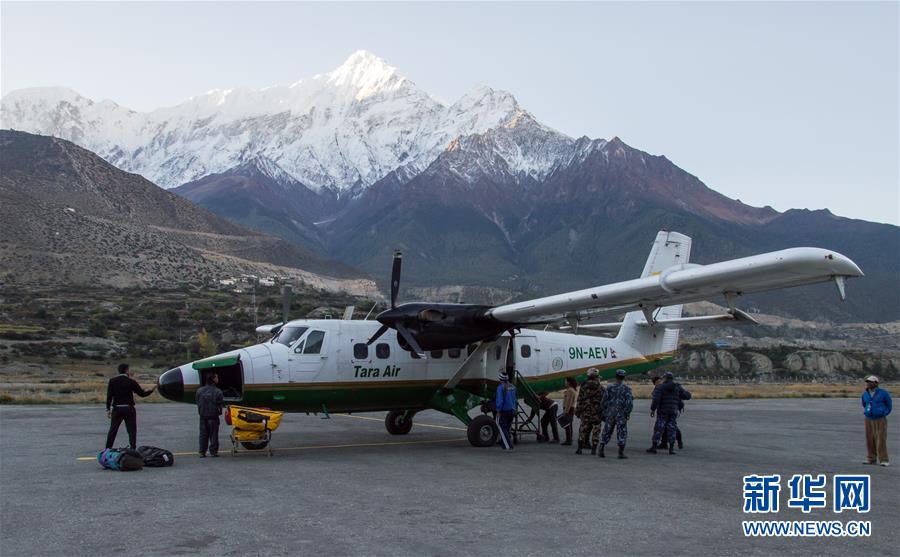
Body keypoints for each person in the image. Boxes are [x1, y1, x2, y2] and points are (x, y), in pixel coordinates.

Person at [105, 363, 155, 449]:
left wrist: (108, 409)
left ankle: (107, 449)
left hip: (117, 409)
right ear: (127, 370)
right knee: (131, 431)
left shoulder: (112, 381)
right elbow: (142, 394)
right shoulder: (131, 381)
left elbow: (109, 396)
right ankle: (133, 449)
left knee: (113, 430)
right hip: (129, 409)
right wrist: (151, 390)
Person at [647, 373, 690, 454]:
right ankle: (671, 449)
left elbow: (656, 399)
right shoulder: (677, 387)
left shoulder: (660, 387)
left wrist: (653, 409)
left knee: (658, 429)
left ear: (665, 378)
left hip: (663, 411)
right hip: (673, 411)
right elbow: (687, 396)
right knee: (672, 428)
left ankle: (654, 447)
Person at [598, 369, 633, 459]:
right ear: (623, 377)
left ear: (616, 376)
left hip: (610, 413)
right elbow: (629, 402)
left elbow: (603, 401)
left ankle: (601, 448)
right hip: (621, 414)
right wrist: (627, 412)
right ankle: (620, 452)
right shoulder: (627, 388)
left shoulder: (610, 387)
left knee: (607, 430)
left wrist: (604, 411)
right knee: (622, 432)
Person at [862, 375, 892, 466]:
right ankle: (871, 459)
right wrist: (868, 412)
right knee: (869, 439)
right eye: (867, 382)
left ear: (876, 383)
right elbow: (864, 404)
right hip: (869, 419)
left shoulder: (883, 393)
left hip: (880, 419)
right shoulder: (865, 394)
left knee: (880, 439)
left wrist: (883, 413)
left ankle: (884, 460)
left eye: (870, 382)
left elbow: (889, 405)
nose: (868, 383)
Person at [574, 368, 604, 455]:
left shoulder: (583, 386)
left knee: (583, 429)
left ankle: (579, 449)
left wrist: (578, 411)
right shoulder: (601, 388)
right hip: (596, 413)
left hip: (585, 412)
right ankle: (593, 450)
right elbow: (604, 402)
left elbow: (579, 400)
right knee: (596, 431)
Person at [196, 372, 225, 457]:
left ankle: (202, 452)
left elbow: (197, 401)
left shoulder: (199, 390)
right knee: (213, 435)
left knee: (203, 435)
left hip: (202, 416)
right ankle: (213, 451)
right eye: (216, 377)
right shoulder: (218, 392)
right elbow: (221, 404)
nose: (217, 379)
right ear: (213, 379)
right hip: (213, 416)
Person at [495, 371, 517, 451]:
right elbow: (515, 399)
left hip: (504, 411)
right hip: (512, 410)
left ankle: (509, 446)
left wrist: (498, 410)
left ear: (500, 379)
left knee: (501, 426)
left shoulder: (500, 387)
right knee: (507, 428)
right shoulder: (513, 386)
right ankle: (504, 445)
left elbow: (500, 401)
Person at [561, 377, 578, 445]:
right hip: (571, 408)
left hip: (569, 408)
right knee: (569, 424)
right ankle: (569, 439)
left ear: (569, 382)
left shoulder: (570, 390)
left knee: (567, 425)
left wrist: (566, 411)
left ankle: (568, 440)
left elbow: (569, 402)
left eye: (565, 381)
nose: (565, 383)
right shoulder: (572, 390)